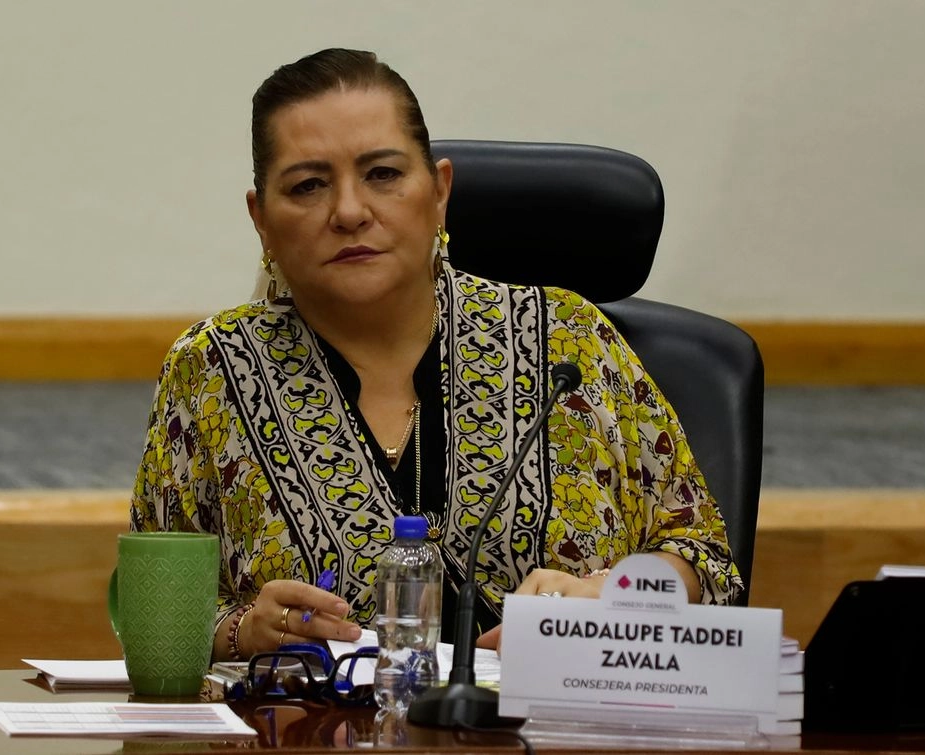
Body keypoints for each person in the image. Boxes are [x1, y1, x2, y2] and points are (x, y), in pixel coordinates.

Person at [130, 48, 742, 663]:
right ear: (261, 219)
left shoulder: (569, 343)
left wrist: (612, 595)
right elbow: (154, 613)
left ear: (440, 190)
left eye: (383, 174)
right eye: (308, 185)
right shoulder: (213, 369)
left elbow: (705, 563)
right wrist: (242, 631)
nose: (349, 211)